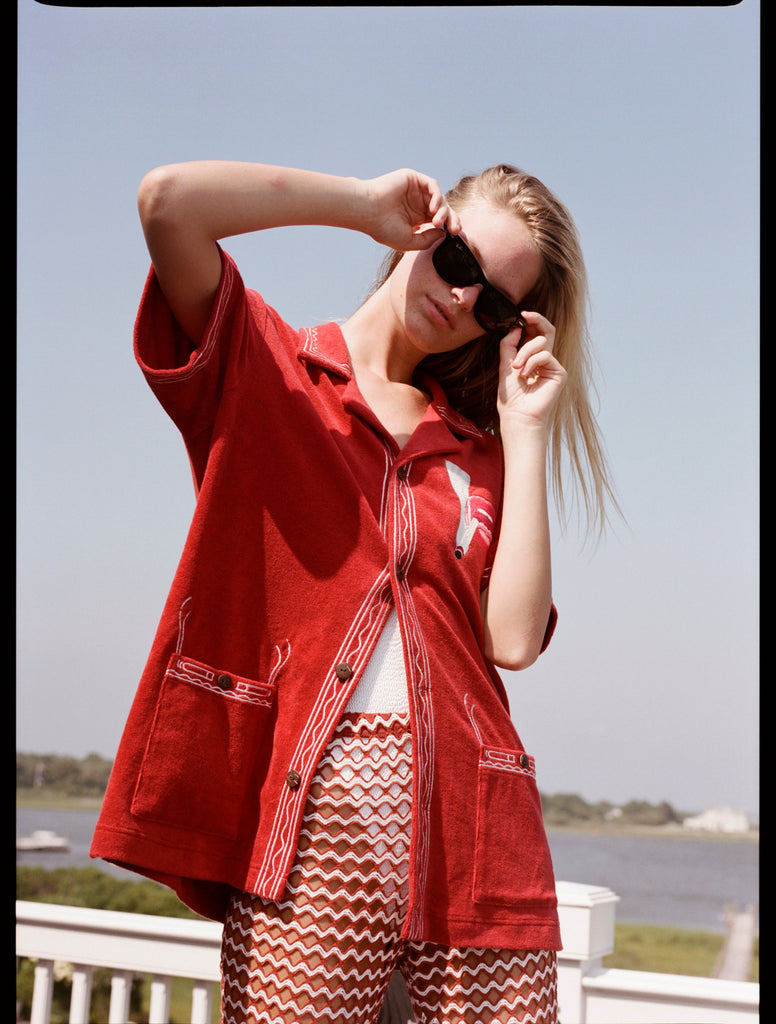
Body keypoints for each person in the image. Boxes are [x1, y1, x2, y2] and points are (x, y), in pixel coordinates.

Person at [90, 161, 616, 1023]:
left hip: (478, 826)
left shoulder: (476, 453)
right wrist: (361, 207)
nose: (460, 299)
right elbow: (167, 204)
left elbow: (513, 642)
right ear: (424, 232)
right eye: (457, 260)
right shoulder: (266, 366)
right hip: (312, 821)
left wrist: (524, 434)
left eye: (490, 304)